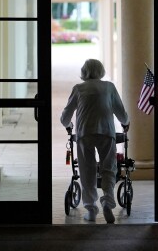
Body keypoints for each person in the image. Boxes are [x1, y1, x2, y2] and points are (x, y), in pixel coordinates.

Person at [60, 58, 130, 223]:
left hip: (85, 133)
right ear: (101, 71)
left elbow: (66, 115)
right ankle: (108, 202)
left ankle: (91, 209)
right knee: (108, 168)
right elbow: (121, 112)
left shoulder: (78, 89)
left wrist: (68, 124)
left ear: (84, 72)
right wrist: (126, 123)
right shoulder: (109, 87)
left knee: (87, 170)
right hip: (106, 132)